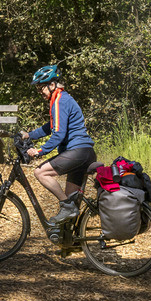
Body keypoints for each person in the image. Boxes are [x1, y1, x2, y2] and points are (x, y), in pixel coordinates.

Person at [20, 64, 95, 242]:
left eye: (42, 87)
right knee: (71, 200)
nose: (40, 92)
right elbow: (50, 127)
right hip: (83, 153)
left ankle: (67, 206)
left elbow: (59, 134)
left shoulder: (60, 100)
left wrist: (39, 151)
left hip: (78, 151)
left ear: (52, 85)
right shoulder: (60, 99)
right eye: (38, 89)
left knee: (40, 172)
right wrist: (29, 134)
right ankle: (71, 242)